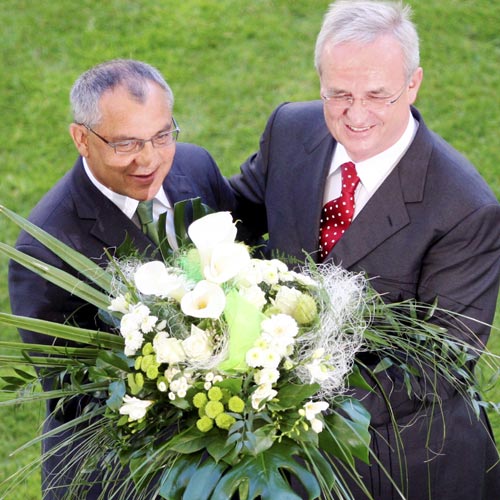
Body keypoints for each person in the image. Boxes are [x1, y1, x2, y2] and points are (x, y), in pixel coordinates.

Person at [230, 1, 500, 499]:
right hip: (289, 458)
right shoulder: (290, 131)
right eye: (339, 94)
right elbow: (234, 218)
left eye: (377, 94)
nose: (356, 115)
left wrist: (285, 399)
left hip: (403, 462)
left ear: (413, 84)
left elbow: (437, 366)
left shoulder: (465, 209)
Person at [8, 59, 235, 500]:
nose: (149, 159)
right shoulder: (46, 248)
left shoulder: (195, 166)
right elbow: (70, 395)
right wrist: (187, 380)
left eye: (162, 135)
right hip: (119, 475)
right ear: (82, 139)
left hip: (219, 457)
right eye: (127, 143)